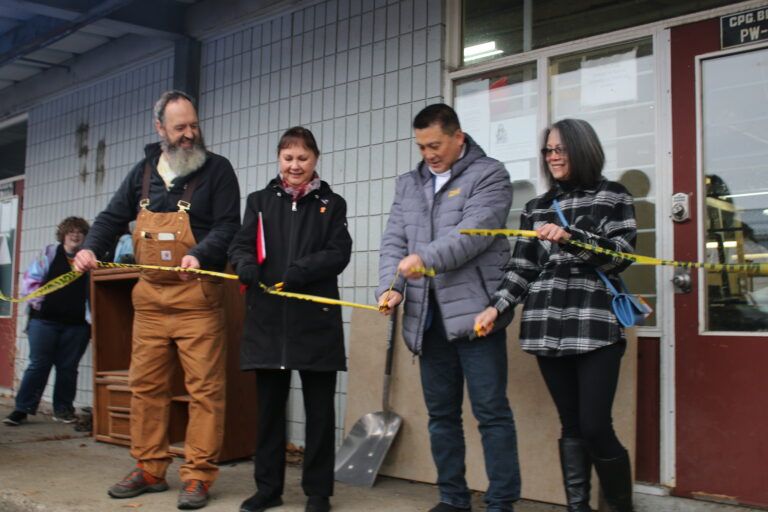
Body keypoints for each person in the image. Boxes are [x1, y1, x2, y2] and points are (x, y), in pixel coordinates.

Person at [72, 90, 241, 510]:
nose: (189, 134)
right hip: (149, 300)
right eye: (180, 127)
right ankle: (149, 468)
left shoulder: (217, 171)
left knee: (204, 390)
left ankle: (198, 475)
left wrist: (200, 253)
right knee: (146, 387)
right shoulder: (144, 172)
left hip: (197, 299)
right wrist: (91, 247)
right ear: (160, 128)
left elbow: (228, 226)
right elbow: (112, 217)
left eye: (194, 126)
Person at [474, 118, 637, 512]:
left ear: (582, 149)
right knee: (572, 426)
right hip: (547, 326)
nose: (553, 157)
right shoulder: (536, 208)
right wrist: (496, 307)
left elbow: (621, 256)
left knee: (597, 426)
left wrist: (571, 237)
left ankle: (620, 507)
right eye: (548, 150)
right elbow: (522, 269)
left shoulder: (613, 196)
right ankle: (577, 507)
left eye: (560, 149)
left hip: (595, 326)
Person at [376, 103, 521, 512]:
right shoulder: (409, 184)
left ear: (458, 137)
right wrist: (391, 286)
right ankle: (453, 499)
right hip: (427, 319)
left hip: (477, 315)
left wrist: (424, 260)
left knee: (491, 413)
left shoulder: (490, 175)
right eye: (421, 147)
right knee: (441, 416)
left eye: (435, 145)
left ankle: (501, 502)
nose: (428, 154)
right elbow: (393, 241)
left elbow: (473, 234)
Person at [229, 126, 351, 512]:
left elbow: (339, 252)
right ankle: (268, 488)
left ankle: (318, 492)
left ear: (315, 160)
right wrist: (245, 264)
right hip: (269, 320)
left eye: (303, 158)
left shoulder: (332, 204)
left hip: (314, 319)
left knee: (319, 411)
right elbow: (240, 243)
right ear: (278, 160)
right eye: (288, 158)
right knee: (269, 412)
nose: (295, 165)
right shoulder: (259, 201)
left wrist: (302, 270)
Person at [3, 217, 91, 427]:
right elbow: (30, 281)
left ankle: (63, 410)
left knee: (68, 368)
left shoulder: (89, 259)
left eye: (79, 231)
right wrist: (39, 303)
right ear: (63, 234)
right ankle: (21, 409)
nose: (75, 235)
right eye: (71, 231)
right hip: (44, 322)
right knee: (38, 365)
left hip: (77, 324)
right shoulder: (50, 253)